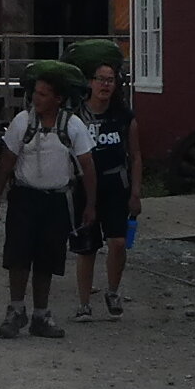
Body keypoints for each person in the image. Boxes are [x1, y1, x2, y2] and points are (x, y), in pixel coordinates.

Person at [0, 67, 94, 338]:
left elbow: (87, 166)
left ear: (58, 98)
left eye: (43, 94)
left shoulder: (72, 126)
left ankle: (40, 314)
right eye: (35, 93)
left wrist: (91, 204)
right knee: (18, 255)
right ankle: (16, 309)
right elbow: (6, 161)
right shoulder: (22, 122)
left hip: (57, 199)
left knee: (47, 259)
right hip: (24, 196)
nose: (37, 98)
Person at [67, 59, 141, 320]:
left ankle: (112, 291)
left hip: (115, 184)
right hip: (84, 186)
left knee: (118, 242)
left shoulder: (123, 116)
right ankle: (84, 303)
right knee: (86, 247)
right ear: (91, 82)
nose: (105, 85)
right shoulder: (76, 115)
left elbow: (135, 155)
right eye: (101, 79)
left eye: (110, 80)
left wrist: (135, 192)